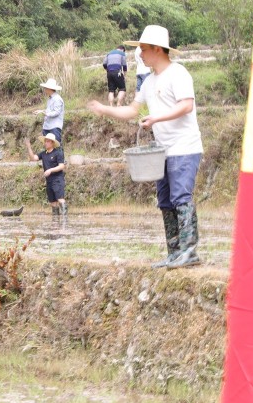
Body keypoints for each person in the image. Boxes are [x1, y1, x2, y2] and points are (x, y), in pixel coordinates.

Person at [87, 25, 202, 269]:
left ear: (158, 50)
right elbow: (132, 110)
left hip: (184, 147)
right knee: (165, 200)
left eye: (143, 49)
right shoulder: (148, 82)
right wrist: (105, 109)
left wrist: (156, 119)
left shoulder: (178, 73)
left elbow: (186, 106)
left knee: (181, 196)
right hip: (163, 150)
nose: (139, 55)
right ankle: (174, 252)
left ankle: (190, 251)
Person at [26, 133, 67, 217]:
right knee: (53, 202)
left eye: (48, 141)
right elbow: (33, 158)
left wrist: (50, 170)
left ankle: (64, 220)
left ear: (52, 143)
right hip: (49, 181)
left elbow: (62, 166)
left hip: (57, 179)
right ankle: (55, 222)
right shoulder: (43, 153)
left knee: (60, 199)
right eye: (45, 141)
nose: (46, 143)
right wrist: (29, 147)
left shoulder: (58, 153)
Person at [35, 78, 64, 144]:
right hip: (47, 126)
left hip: (54, 127)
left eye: (45, 88)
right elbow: (50, 110)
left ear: (49, 89)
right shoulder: (50, 99)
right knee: (47, 146)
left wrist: (45, 113)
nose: (45, 90)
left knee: (56, 145)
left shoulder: (57, 99)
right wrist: (41, 111)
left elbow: (56, 112)